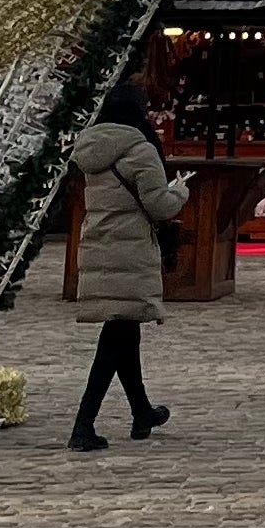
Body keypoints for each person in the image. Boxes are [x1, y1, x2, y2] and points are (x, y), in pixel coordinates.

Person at [67, 80, 189, 451]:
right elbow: (160, 205)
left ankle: (141, 412)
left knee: (124, 333)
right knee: (114, 340)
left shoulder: (91, 148)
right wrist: (181, 190)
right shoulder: (139, 149)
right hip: (130, 250)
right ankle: (82, 426)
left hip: (99, 246)